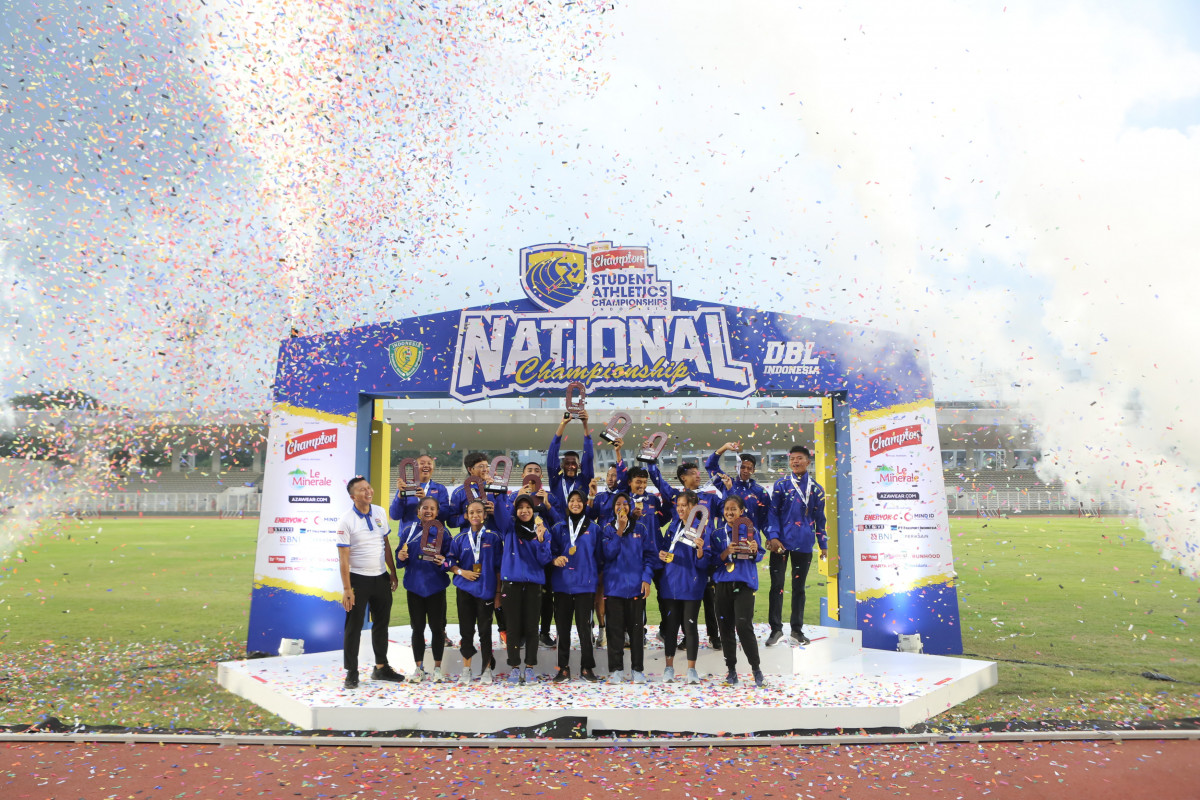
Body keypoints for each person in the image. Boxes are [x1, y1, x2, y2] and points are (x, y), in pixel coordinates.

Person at [336, 476, 403, 689]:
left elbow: (385, 544)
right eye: (362, 490)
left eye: (369, 488)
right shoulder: (346, 520)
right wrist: (347, 588)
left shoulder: (380, 512)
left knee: (382, 624)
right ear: (352, 496)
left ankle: (381, 667)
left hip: (381, 577)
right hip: (358, 579)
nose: (368, 492)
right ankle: (352, 671)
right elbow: (343, 558)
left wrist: (392, 572)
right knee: (354, 626)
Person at [646, 460, 722, 649]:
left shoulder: (709, 497)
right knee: (683, 598)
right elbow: (659, 481)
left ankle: (714, 635)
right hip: (681, 555)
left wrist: (727, 487)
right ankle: (686, 636)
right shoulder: (675, 497)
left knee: (709, 596)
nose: (698, 475)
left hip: (704, 551)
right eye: (693, 472)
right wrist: (651, 462)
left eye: (698, 472)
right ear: (683, 477)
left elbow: (728, 507)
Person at [765, 445, 828, 647]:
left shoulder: (817, 489)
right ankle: (776, 630)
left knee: (799, 588)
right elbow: (773, 513)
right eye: (792, 458)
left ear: (808, 461)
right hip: (781, 544)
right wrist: (773, 536)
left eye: (799, 458)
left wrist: (823, 543)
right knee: (777, 586)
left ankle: (796, 630)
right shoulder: (781, 485)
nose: (795, 461)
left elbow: (820, 519)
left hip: (804, 544)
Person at [655, 491, 712, 684]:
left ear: (694, 507)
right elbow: (665, 548)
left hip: (691, 584)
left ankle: (691, 670)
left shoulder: (702, 528)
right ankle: (668, 668)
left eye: (684, 505)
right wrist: (662, 555)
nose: (680, 508)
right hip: (670, 583)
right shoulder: (673, 526)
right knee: (671, 627)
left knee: (690, 627)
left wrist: (701, 551)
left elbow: (706, 563)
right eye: (678, 505)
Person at [395, 496, 452, 682]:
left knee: (437, 629)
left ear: (437, 513)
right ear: (418, 511)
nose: (428, 511)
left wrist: (444, 562)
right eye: (424, 508)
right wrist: (401, 557)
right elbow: (400, 557)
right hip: (414, 587)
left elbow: (451, 559)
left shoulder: (443, 532)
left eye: (432, 508)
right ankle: (418, 669)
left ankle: (437, 669)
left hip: (436, 587)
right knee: (417, 629)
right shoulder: (408, 531)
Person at [547, 489, 603, 683]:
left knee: (585, 629)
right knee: (562, 630)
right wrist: (554, 559)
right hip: (562, 585)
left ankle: (587, 668)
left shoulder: (594, 528)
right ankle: (563, 668)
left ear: (585, 504)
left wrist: (592, 578)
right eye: (572, 500)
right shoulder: (558, 527)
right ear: (567, 504)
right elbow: (550, 552)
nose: (576, 503)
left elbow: (599, 558)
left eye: (579, 500)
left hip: (585, 586)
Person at [601, 492, 656, 684]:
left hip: (635, 588)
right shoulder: (607, 529)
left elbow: (650, 556)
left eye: (625, 503)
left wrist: (646, 579)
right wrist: (619, 531)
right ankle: (616, 669)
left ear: (630, 507)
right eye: (618, 504)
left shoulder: (641, 528)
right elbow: (608, 554)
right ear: (613, 508)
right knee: (614, 631)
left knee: (636, 631)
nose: (622, 507)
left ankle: (637, 669)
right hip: (613, 588)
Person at [447, 498, 503, 684]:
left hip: (486, 591)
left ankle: (486, 669)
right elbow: (450, 562)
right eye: (471, 512)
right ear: (466, 516)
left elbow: (498, 568)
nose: (475, 515)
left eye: (479, 512)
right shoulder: (460, 538)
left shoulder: (494, 538)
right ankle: (466, 669)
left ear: (485, 515)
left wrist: (498, 594)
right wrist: (462, 572)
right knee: (466, 631)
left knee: (485, 631)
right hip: (465, 591)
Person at [712, 494, 765, 687]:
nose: (729, 512)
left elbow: (759, 555)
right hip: (723, 585)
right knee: (725, 629)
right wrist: (727, 552)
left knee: (743, 626)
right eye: (727, 509)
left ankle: (756, 669)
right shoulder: (717, 533)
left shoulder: (750, 530)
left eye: (733, 509)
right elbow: (712, 560)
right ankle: (731, 671)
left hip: (744, 584)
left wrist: (754, 550)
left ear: (741, 511)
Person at [498, 494, 553, 683]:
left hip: (533, 584)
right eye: (520, 507)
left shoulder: (542, 530)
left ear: (533, 509)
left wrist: (540, 540)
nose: (524, 511)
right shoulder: (509, 527)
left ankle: (529, 667)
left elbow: (545, 560)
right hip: (511, 583)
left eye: (528, 507)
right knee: (512, 628)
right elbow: (500, 511)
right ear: (515, 510)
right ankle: (514, 667)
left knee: (531, 627)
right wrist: (498, 493)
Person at [508, 463, 559, 649]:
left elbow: (560, 522)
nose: (533, 473)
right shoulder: (514, 495)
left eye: (537, 471)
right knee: (522, 595)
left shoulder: (549, 496)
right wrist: (516, 499)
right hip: (522, 552)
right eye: (529, 471)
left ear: (541, 476)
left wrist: (547, 505)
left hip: (544, 548)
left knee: (546, 594)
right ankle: (523, 632)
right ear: (523, 475)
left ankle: (544, 632)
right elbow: (506, 519)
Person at [705, 442, 770, 533]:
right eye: (742, 467)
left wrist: (771, 537)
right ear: (736, 467)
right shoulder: (726, 482)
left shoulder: (761, 492)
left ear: (753, 470)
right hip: (726, 536)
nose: (745, 471)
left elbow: (766, 519)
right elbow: (710, 466)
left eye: (749, 468)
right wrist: (724, 447)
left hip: (749, 538)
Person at [388, 453, 450, 528]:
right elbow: (395, 516)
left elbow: (445, 515)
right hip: (409, 534)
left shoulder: (440, 489)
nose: (426, 465)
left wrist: (425, 500)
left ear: (433, 468)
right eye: (422, 463)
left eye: (429, 463)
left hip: (432, 533)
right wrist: (400, 497)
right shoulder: (405, 487)